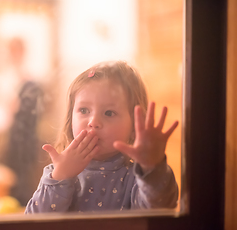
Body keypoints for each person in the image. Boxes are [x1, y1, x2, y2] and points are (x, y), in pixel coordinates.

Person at [25, 60, 179, 213]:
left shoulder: (137, 177)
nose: (93, 122)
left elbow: (160, 209)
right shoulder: (56, 171)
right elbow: (32, 227)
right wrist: (60, 177)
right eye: (84, 110)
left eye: (109, 113)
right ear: (70, 119)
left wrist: (152, 167)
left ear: (134, 127)